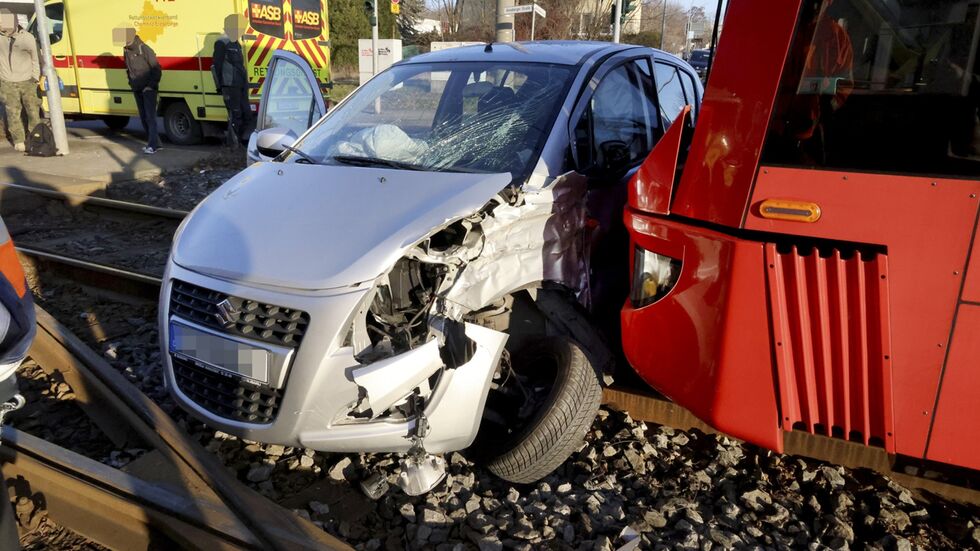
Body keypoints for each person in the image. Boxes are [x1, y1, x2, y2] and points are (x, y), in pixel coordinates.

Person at [0, 10, 40, 153]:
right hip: (7, 83)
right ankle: (19, 140)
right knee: (13, 113)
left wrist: (34, 78)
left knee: (33, 112)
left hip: (27, 81)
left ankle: (35, 138)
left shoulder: (27, 38)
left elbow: (36, 59)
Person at [116, 27, 161, 154]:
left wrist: (150, 86)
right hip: (137, 88)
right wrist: (131, 83)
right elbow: (128, 68)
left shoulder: (144, 49)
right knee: (143, 117)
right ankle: (155, 143)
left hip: (148, 89)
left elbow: (156, 69)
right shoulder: (126, 51)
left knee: (150, 117)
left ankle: (153, 146)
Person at [212, 15, 252, 147]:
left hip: (241, 84)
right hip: (230, 85)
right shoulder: (221, 43)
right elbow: (216, 66)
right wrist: (220, 86)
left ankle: (237, 141)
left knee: (247, 114)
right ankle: (234, 145)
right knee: (236, 114)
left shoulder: (236, 43)